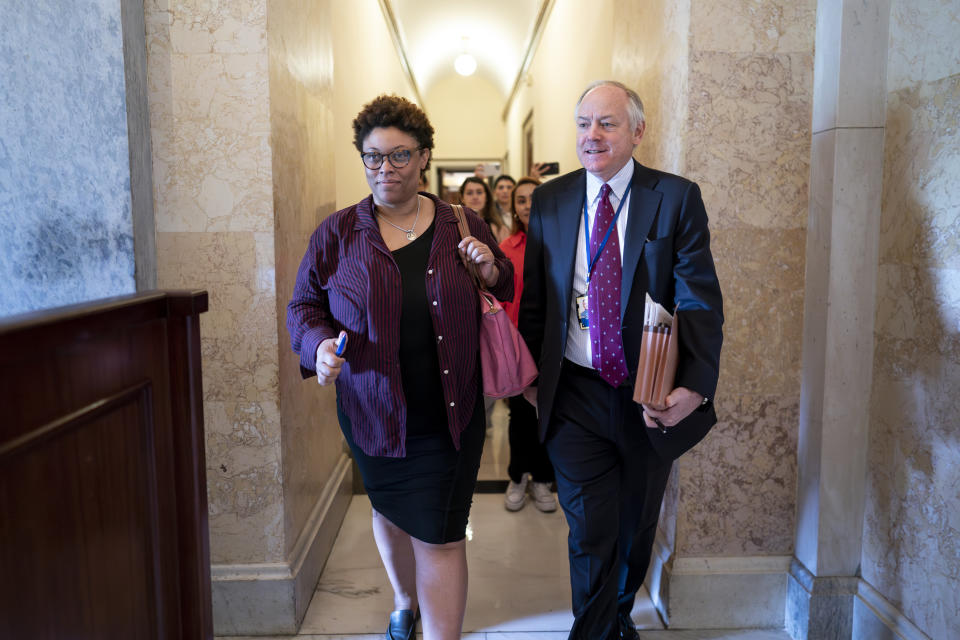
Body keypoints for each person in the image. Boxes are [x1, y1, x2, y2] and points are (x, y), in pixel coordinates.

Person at [287, 94, 514, 640]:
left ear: (425, 157)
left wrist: (490, 268)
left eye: (399, 156)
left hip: (450, 410)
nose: (384, 169)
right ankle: (404, 597)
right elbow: (304, 306)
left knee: (440, 532)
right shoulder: (338, 232)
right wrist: (317, 346)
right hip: (371, 410)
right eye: (372, 157)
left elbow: (503, 283)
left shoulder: (463, 223)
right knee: (388, 510)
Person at [518, 80, 723, 640]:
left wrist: (696, 387)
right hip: (576, 393)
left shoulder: (675, 198)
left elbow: (699, 298)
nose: (592, 135)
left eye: (606, 123)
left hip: (647, 393)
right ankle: (598, 632)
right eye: (583, 123)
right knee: (589, 530)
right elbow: (538, 300)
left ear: (637, 131)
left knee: (634, 527)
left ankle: (615, 618)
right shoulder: (552, 201)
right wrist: (532, 381)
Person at [498, 176, 557, 513]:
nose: (527, 205)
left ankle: (543, 480)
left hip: (553, 346)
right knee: (519, 416)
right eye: (521, 200)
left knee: (547, 415)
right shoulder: (506, 249)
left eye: (533, 198)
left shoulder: (560, 243)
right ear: (514, 207)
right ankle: (518, 476)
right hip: (517, 345)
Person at [459, 176, 509, 243]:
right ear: (462, 198)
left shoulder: (500, 229)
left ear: (486, 197)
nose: (475, 197)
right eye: (469, 193)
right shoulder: (454, 226)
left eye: (479, 192)